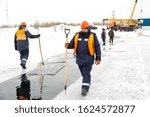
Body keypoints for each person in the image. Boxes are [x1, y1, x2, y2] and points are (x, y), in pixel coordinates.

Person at [65, 21, 101, 96]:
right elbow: (72, 44)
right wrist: (68, 45)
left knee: (86, 73)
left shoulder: (93, 36)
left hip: (89, 59)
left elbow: (97, 48)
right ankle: (87, 81)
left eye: (84, 28)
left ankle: (84, 88)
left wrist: (98, 58)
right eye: (82, 28)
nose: (83, 30)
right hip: (79, 59)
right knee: (83, 74)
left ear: (88, 28)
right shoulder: (77, 35)